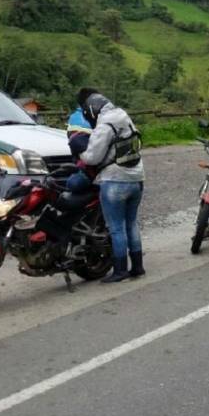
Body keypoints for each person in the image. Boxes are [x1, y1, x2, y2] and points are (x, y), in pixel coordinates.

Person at [77, 89, 146, 283]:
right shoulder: (124, 116)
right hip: (137, 178)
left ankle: (120, 270)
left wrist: (81, 154)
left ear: (92, 110)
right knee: (131, 223)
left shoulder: (104, 125)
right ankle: (138, 266)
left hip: (115, 180)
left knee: (116, 228)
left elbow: (92, 157)